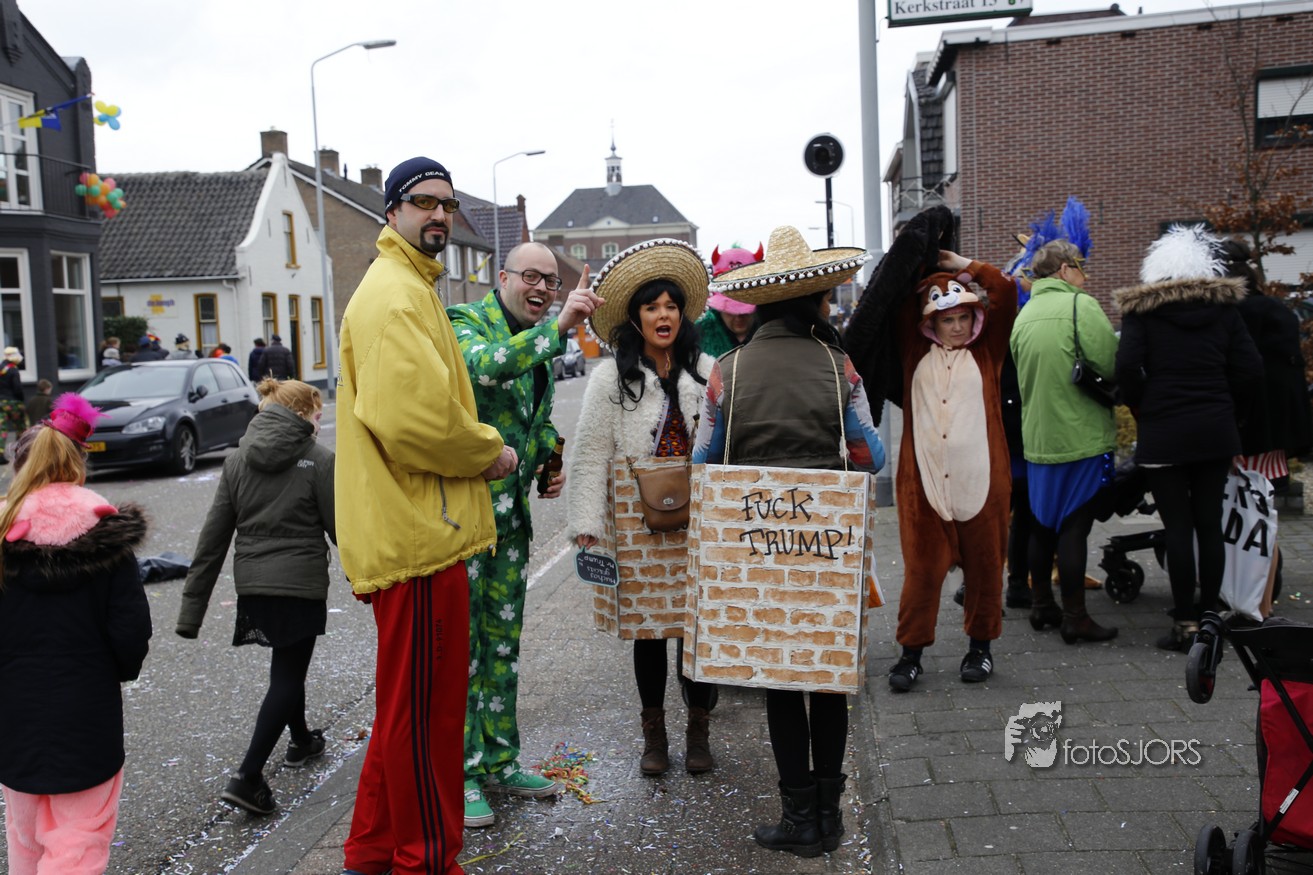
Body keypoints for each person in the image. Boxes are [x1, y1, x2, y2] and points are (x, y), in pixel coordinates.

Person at [336, 156, 515, 875]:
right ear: (392, 211)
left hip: (418, 532)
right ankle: (426, 861)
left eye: (447, 203)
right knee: (427, 719)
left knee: (404, 711)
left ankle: (373, 850)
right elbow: (414, 421)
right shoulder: (396, 295)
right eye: (423, 202)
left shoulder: (409, 286)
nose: (439, 214)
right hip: (417, 537)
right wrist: (489, 451)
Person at [692, 225, 883, 858]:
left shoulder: (727, 372)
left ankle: (797, 817)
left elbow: (704, 463)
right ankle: (829, 818)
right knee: (826, 677)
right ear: (814, 301)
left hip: (758, 544)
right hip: (827, 543)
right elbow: (871, 456)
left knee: (778, 677)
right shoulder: (839, 367)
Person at [448, 241, 602, 827]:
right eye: (531, 277)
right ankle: (460, 774)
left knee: (502, 645)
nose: (541, 288)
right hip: (466, 523)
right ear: (503, 277)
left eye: (551, 281)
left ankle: (500, 760)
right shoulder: (465, 322)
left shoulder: (539, 340)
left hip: (511, 524)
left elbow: (531, 418)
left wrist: (548, 458)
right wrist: (558, 328)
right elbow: (485, 367)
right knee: (464, 650)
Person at [566, 238, 719, 778]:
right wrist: (586, 522)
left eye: (671, 306)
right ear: (636, 317)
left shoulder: (707, 370)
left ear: (683, 315)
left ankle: (699, 729)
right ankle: (654, 735)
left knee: (698, 629)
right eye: (652, 306)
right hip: (636, 526)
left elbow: (727, 444)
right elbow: (589, 453)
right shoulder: (610, 378)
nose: (663, 315)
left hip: (699, 521)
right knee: (649, 633)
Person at [0, 395, 152, 875]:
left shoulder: (4, 531)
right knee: (80, 838)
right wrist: (115, 669)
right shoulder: (105, 534)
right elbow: (130, 631)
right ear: (77, 464)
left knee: (25, 837)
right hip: (87, 709)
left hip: (13, 710)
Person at [175, 378, 336, 815]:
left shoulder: (236, 460)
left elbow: (213, 538)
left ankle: (300, 740)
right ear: (300, 413)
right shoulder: (319, 459)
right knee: (287, 674)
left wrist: (191, 611)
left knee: (287, 662)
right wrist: (371, 578)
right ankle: (247, 777)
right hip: (299, 584)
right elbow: (341, 529)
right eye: (317, 414)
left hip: (252, 584)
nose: (319, 422)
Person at [1113, 225, 1263, 650]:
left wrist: (1144, 404)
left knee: (1177, 526)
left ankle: (1184, 623)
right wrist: (1231, 411)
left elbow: (1127, 367)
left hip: (1164, 431)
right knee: (1209, 525)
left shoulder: (1143, 313)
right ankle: (1211, 617)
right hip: (1215, 429)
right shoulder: (1224, 311)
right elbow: (1251, 370)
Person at [883, 243, 1018, 690]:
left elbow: (1005, 291)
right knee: (922, 574)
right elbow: (896, 297)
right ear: (931, 322)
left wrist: (964, 266)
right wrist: (920, 267)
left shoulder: (987, 352)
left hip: (982, 484)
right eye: (947, 319)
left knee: (986, 571)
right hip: (924, 490)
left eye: (963, 317)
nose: (957, 326)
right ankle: (910, 654)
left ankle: (980, 649)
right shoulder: (913, 352)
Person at [1010, 240, 1120, 644]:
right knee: (1075, 527)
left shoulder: (1024, 314)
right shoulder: (1081, 306)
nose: (1084, 276)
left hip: (1038, 439)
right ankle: (1076, 617)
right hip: (1080, 436)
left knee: (1042, 525)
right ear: (1063, 269)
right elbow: (1109, 363)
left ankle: (1042, 605)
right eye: (1080, 267)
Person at [696, 244, 764, 358]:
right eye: (731, 310)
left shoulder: (772, 332)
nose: (738, 316)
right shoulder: (699, 335)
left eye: (745, 311)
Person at [0, 347, 26, 461]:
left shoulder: (1, 368)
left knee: (1, 428)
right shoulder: (13, 369)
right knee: (21, 427)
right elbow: (17, 388)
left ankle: (0, 454)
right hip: (13, 403)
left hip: (1, 403)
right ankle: (22, 452)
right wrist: (21, 400)